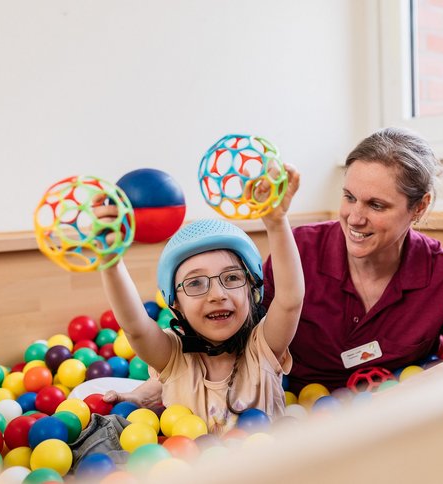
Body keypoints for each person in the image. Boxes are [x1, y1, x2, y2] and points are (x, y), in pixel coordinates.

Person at [262, 127, 443, 394]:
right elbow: (243, 347)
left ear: (419, 207)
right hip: (295, 412)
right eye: (349, 197)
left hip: (395, 417)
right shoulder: (298, 251)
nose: (355, 218)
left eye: (376, 205)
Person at [89, 165, 303, 434]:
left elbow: (290, 301)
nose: (217, 294)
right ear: (175, 303)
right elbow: (136, 327)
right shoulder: (173, 358)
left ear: (252, 289)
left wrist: (276, 222)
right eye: (195, 283)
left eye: (232, 278)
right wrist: (111, 261)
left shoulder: (262, 349)